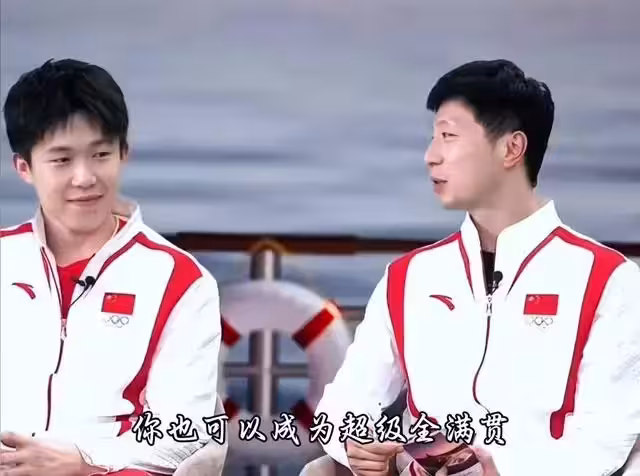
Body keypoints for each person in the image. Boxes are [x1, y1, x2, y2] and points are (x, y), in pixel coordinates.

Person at [301, 59, 640, 476]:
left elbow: (607, 436)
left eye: (449, 137)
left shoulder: (607, 279)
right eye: (433, 137)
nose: (431, 156)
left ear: (512, 149)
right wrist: (356, 443)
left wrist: (501, 468)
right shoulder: (409, 277)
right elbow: (345, 403)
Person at [0, 59, 225, 475]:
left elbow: (182, 436)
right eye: (61, 160)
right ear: (24, 168)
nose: (85, 178)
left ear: (124, 153)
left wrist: (85, 463)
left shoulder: (180, 280)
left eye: (101, 154)